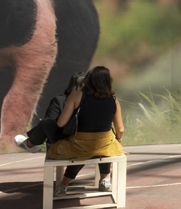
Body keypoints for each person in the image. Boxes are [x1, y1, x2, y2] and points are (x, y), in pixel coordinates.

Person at [45, 66, 125, 196]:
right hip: (104, 145)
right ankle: (104, 179)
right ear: (107, 81)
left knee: (81, 150)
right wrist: (119, 139)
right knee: (107, 143)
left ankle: (63, 184)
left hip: (80, 145)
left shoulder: (76, 95)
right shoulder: (114, 100)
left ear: (88, 80)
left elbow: (61, 123)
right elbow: (120, 129)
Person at [15, 72, 85, 151]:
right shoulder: (96, 102)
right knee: (46, 123)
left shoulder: (60, 101)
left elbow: (53, 122)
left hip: (66, 141)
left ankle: (29, 143)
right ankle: (30, 142)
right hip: (93, 142)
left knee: (46, 123)